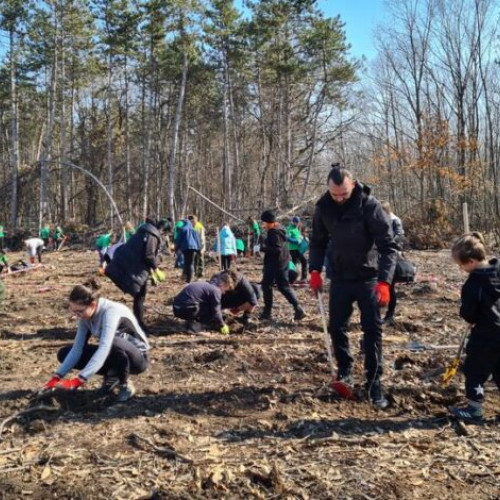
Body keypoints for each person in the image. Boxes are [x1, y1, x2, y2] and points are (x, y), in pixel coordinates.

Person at [309, 164, 398, 409]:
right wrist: (314, 269)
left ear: (353, 186)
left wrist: (384, 282)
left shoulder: (369, 206)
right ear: (328, 189)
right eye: (335, 194)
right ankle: (345, 373)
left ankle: (374, 383)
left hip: (368, 277)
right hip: (339, 277)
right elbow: (317, 241)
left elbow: (388, 247)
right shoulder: (324, 207)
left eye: (344, 194)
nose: (339, 199)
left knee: (372, 331)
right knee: (337, 327)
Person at [41, 280, 150, 402]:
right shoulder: (85, 317)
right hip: (115, 353)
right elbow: (77, 349)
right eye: (74, 311)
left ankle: (124, 384)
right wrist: (56, 377)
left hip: (137, 359)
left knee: (112, 342)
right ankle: (112, 374)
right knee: (64, 353)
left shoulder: (110, 312)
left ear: (92, 305)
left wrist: (79, 380)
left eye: (80, 311)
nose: (77, 315)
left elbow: (105, 347)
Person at [448, 232, 500, 423]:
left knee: (474, 370)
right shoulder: (497, 269)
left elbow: (469, 312)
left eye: (461, 265)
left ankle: (474, 409)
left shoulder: (473, 284)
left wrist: (470, 318)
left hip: (486, 335)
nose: (461, 269)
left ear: (470, 261)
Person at [105, 215, 165, 331]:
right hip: (131, 269)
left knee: (139, 297)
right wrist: (157, 264)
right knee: (139, 297)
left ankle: (137, 323)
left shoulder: (142, 233)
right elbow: (149, 256)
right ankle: (137, 324)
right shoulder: (152, 235)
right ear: (161, 229)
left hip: (129, 267)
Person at [259, 210, 306, 321]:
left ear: (269, 222)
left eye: (264, 222)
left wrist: (262, 248)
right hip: (283, 263)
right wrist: (265, 241)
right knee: (283, 286)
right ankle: (298, 309)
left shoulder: (273, 232)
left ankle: (267, 312)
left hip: (275, 264)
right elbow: (277, 244)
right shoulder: (280, 229)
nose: (263, 225)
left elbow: (277, 249)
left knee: (266, 285)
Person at [381, 201, 406, 325]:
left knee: (390, 287)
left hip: (392, 258)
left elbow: (399, 237)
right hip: (379, 257)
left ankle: (390, 315)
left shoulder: (395, 221)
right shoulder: (378, 221)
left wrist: (386, 244)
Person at [175, 218, 201, 283]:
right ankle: (189, 278)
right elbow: (197, 240)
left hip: (185, 248)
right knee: (190, 263)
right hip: (193, 248)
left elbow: (179, 240)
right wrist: (199, 249)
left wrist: (176, 248)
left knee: (187, 263)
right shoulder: (194, 230)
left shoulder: (183, 229)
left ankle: (188, 279)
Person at [287, 216, 308, 282]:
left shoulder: (297, 228)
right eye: (295, 222)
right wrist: (296, 241)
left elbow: (298, 237)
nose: (296, 224)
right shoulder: (289, 228)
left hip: (298, 249)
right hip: (293, 249)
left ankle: (303, 278)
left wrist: (303, 238)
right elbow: (287, 238)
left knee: (301, 262)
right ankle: (292, 278)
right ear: (292, 222)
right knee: (295, 263)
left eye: (297, 222)